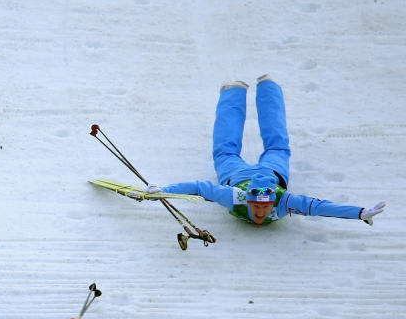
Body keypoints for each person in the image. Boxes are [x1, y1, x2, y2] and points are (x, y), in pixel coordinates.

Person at [147, 75, 386, 227]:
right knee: (275, 146)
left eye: (265, 206)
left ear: (273, 202)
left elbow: (320, 207)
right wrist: (163, 191)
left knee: (226, 151)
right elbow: (199, 188)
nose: (261, 211)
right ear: (248, 200)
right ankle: (240, 90)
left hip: (245, 173)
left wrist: (360, 213)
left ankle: (267, 87)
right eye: (257, 206)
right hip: (253, 173)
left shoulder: (283, 201)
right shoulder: (236, 197)